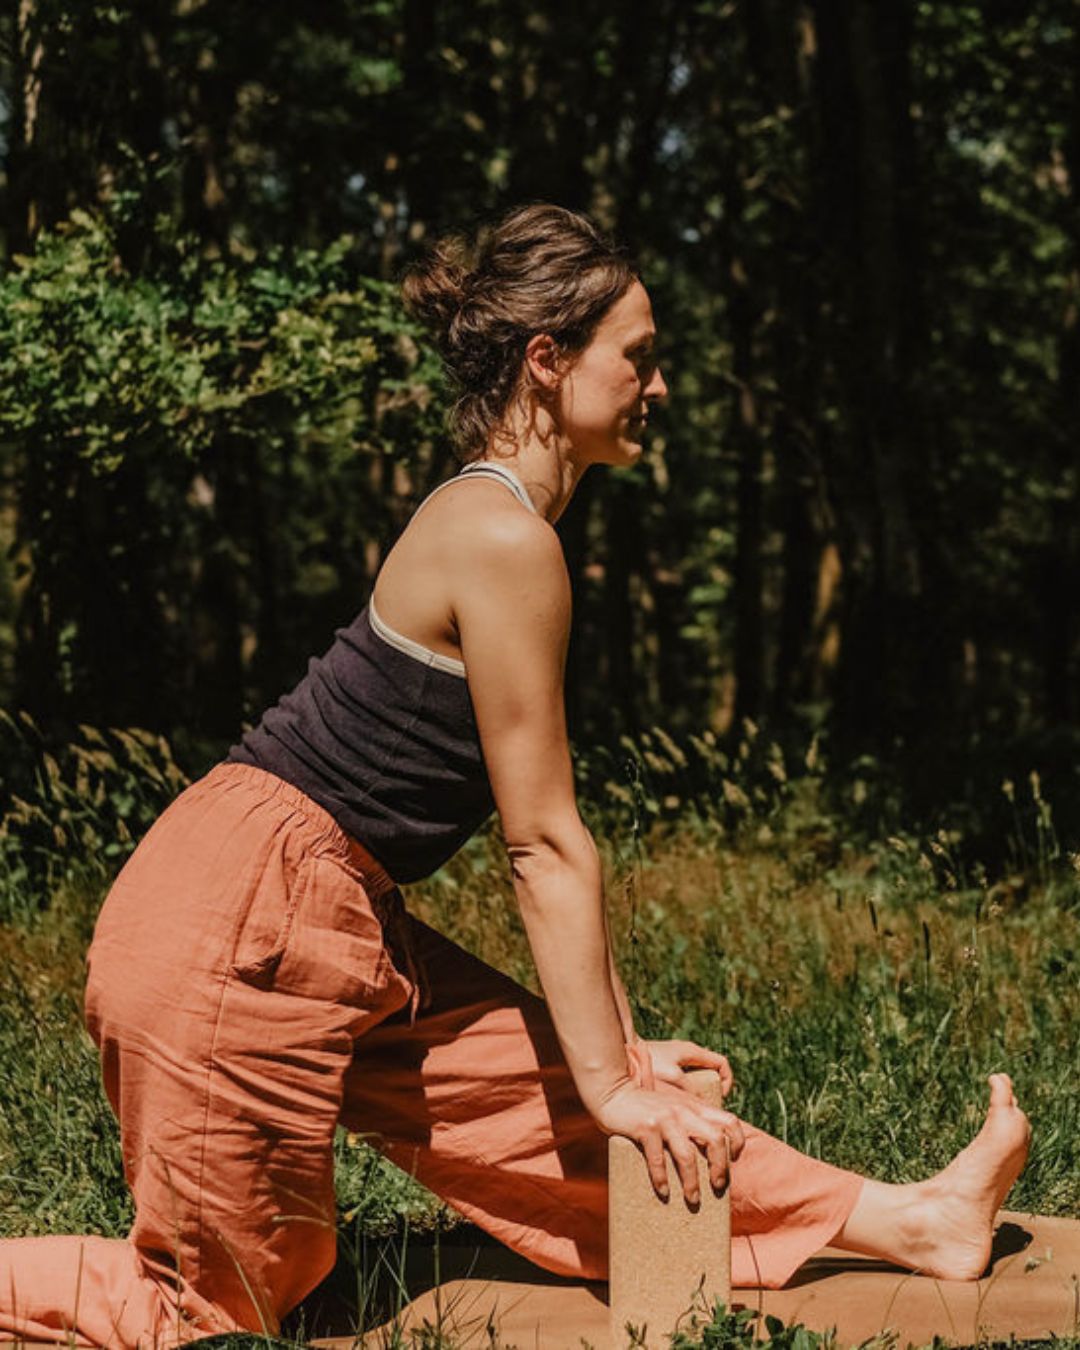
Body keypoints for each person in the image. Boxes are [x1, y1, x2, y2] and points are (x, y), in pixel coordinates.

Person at [0, 204, 1030, 1348]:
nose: (660, 384)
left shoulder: (501, 530)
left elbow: (552, 853)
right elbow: (541, 845)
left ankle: (920, 1222)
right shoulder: (500, 537)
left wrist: (622, 1060)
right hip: (236, 917)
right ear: (549, 362)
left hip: (325, 910)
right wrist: (616, 1070)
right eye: (637, 356)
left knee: (583, 1112)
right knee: (219, 1307)